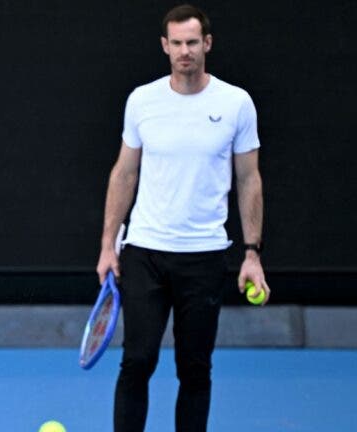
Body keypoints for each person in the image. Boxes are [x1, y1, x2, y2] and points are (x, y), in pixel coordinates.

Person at [95, 4, 270, 431]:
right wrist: (107, 244)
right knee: (137, 360)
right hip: (145, 252)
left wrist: (252, 253)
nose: (185, 51)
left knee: (195, 369)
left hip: (205, 256)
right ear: (165, 46)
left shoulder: (235, 103)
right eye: (176, 43)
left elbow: (249, 180)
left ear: (207, 44)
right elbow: (124, 172)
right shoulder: (142, 100)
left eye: (193, 42)